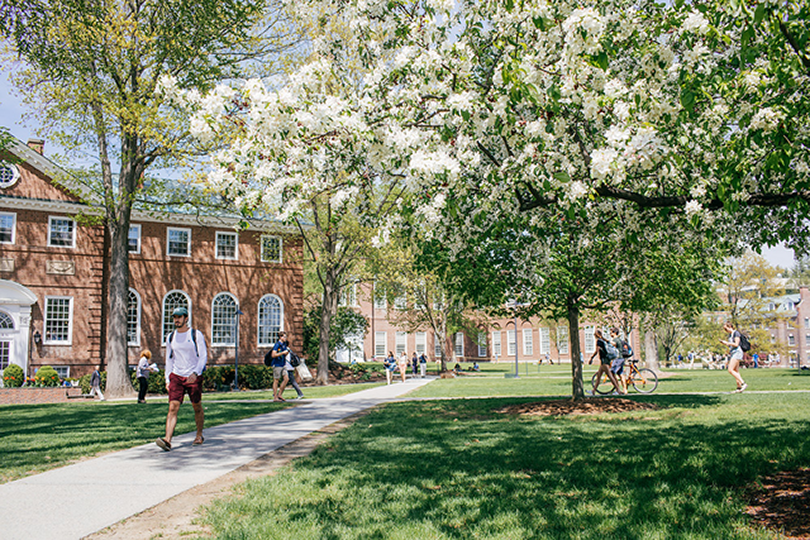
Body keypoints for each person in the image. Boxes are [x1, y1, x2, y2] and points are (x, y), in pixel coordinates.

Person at [156, 307, 207, 451]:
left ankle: (199, 434)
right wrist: (167, 378)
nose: (176, 320)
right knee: (173, 407)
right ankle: (167, 440)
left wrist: (196, 373)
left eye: (179, 317)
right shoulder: (171, 337)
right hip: (177, 376)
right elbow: (169, 359)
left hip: (193, 376)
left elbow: (203, 356)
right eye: (174, 317)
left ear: (186, 318)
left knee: (196, 406)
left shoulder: (196, 334)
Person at [588, 329, 622, 395]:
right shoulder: (604, 340)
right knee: (598, 376)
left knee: (610, 376)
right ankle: (593, 391)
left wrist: (591, 358)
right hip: (606, 359)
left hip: (604, 360)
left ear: (596, 335)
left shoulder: (599, 341)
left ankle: (618, 390)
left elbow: (597, 351)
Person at [720, 322, 747, 393]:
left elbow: (736, 344)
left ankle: (743, 383)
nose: (726, 330)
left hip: (737, 352)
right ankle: (739, 387)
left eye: (726, 328)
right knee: (735, 370)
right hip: (733, 352)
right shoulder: (730, 335)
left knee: (730, 370)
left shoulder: (736, 333)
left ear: (730, 326)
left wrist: (727, 343)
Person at [268, 331, 291, 402]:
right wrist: (282, 353)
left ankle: (280, 394)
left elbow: (284, 354)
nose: (285, 338)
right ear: (280, 337)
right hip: (277, 364)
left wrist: (286, 353)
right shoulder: (277, 345)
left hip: (283, 364)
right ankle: (275, 397)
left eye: (285, 337)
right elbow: (273, 355)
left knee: (286, 379)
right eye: (284, 337)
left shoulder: (284, 345)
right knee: (276, 380)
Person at [609, 328, 628, 394]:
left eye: (611, 332)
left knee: (612, 373)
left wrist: (604, 340)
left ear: (615, 333)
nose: (610, 334)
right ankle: (625, 390)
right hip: (621, 358)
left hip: (617, 359)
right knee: (620, 374)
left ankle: (618, 390)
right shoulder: (619, 339)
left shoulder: (616, 340)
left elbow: (612, 344)